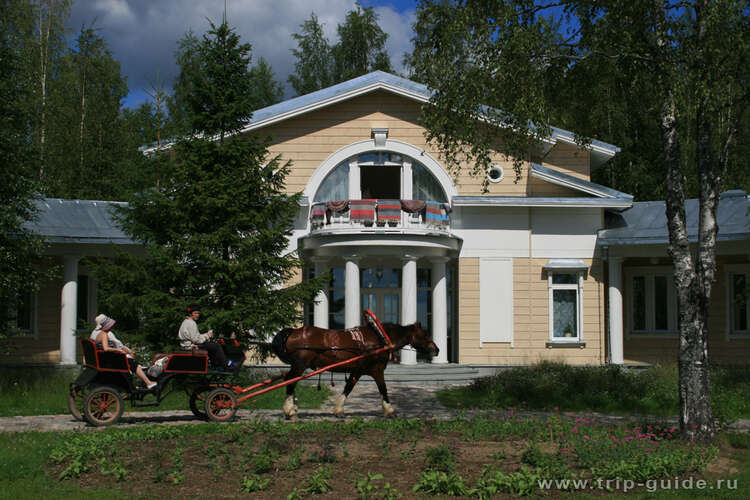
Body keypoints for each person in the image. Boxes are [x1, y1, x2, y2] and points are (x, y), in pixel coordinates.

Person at [92, 314, 157, 390]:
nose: (112, 327)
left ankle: (141, 383)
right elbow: (106, 348)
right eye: (111, 325)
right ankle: (148, 383)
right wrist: (118, 350)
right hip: (110, 360)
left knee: (131, 362)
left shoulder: (99, 334)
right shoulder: (104, 334)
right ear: (107, 326)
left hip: (106, 358)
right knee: (132, 363)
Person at [178, 304, 232, 370]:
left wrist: (206, 335)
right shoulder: (191, 323)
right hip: (192, 346)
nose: (197, 315)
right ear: (190, 314)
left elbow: (195, 336)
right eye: (195, 313)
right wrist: (207, 336)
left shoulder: (185, 322)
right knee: (216, 346)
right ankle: (226, 364)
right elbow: (196, 340)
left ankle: (215, 364)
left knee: (211, 345)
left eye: (198, 313)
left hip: (186, 345)